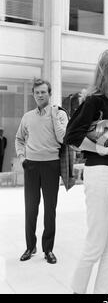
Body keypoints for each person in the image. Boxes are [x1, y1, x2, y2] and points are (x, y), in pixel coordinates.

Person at [64, 50, 108, 294]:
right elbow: (72, 136)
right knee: (96, 243)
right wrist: (105, 151)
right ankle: (77, 291)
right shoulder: (93, 101)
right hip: (100, 173)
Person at [15, 78, 69, 264]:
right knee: (30, 209)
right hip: (31, 166)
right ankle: (30, 247)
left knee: (50, 209)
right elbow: (19, 139)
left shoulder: (59, 114)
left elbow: (63, 139)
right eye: (37, 92)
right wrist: (22, 158)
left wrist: (53, 115)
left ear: (49, 93)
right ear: (33, 94)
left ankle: (48, 250)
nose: (40, 95)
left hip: (51, 166)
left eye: (43, 92)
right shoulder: (27, 117)